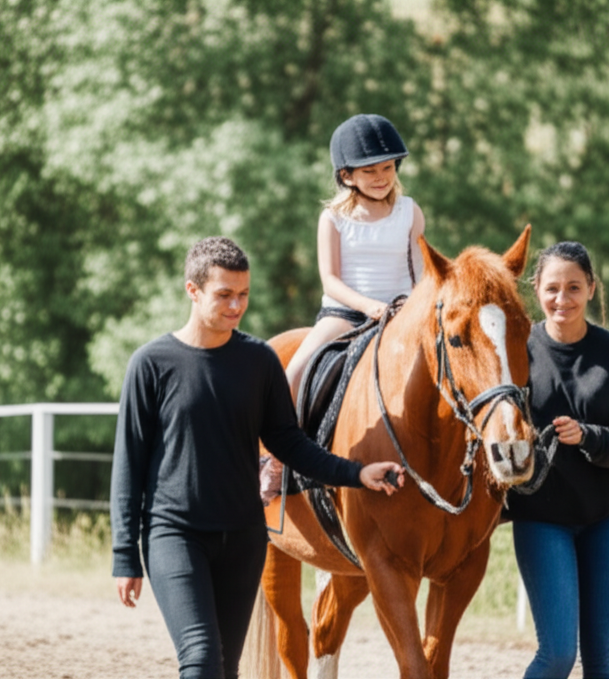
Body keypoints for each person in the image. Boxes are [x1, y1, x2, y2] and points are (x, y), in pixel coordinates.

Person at [109, 236, 404, 679]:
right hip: (175, 535)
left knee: (226, 668)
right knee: (201, 660)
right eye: (224, 294)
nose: (236, 306)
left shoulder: (259, 361)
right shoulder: (150, 364)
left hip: (244, 538)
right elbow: (128, 467)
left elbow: (290, 444)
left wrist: (357, 473)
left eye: (244, 294)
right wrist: (124, 555)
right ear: (193, 291)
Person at [504, 241, 609, 679]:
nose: (562, 299)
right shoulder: (516, 350)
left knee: (602, 662)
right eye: (552, 288)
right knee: (558, 655)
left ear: (591, 288)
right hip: (541, 520)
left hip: (607, 520)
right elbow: (498, 432)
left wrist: (588, 435)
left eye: (573, 287)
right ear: (536, 289)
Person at [283, 112, 426, 402]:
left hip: (401, 311)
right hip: (344, 315)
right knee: (294, 374)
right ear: (347, 176)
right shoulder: (333, 219)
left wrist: (414, 305)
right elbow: (330, 281)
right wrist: (370, 306)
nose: (381, 177)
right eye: (369, 171)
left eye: (387, 167)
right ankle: (284, 432)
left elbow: (420, 272)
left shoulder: (410, 212)